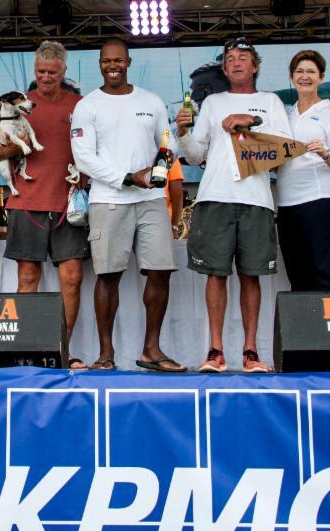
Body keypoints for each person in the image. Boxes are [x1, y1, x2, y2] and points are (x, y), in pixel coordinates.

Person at [175, 37, 291, 373]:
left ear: (255, 66)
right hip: (215, 196)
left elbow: (283, 151)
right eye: (230, 59)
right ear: (224, 69)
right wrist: (183, 132)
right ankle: (215, 351)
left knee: (251, 275)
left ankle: (251, 352)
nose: (236, 62)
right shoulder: (211, 103)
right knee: (216, 274)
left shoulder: (270, 102)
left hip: (256, 199)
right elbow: (196, 155)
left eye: (243, 57)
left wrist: (248, 122)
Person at [71, 38, 185, 373]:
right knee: (108, 276)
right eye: (107, 61)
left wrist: (167, 153)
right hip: (108, 199)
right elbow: (84, 158)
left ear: (129, 62)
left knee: (161, 271)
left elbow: (168, 144)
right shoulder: (88, 106)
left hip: (150, 198)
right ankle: (106, 355)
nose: (113, 66)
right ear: (99, 64)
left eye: (118, 60)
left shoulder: (151, 101)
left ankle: (151, 350)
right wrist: (127, 177)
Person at [0, 41, 90, 370]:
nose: (46, 77)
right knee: (27, 277)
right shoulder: (18, 105)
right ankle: (25, 350)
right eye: (41, 72)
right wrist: (17, 149)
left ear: (64, 71)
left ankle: (62, 350)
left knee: (71, 278)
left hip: (69, 204)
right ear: (34, 70)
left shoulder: (81, 105)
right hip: (26, 202)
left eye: (53, 72)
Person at [275, 50, 330, 291]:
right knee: (295, 272)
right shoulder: (285, 115)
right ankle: (303, 327)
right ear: (291, 76)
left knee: (321, 269)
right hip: (286, 202)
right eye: (299, 71)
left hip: (319, 199)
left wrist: (325, 154)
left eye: (310, 72)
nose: (304, 76)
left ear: (320, 77)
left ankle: (328, 326)